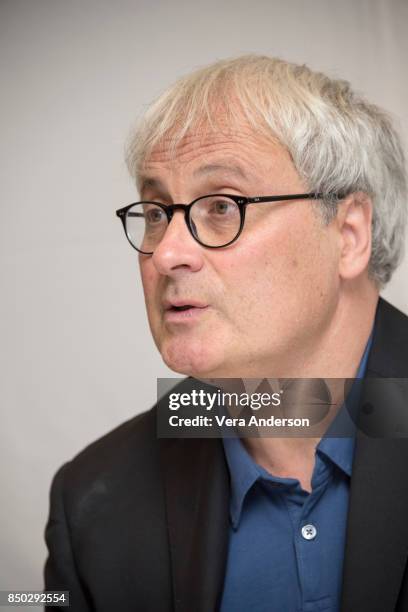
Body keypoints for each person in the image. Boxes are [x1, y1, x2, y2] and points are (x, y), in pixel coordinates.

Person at [44, 55, 408, 611]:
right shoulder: (94, 502)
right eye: (159, 211)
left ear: (350, 234)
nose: (165, 253)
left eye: (222, 206)